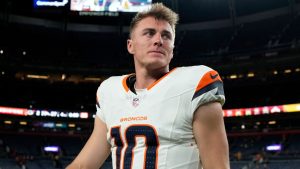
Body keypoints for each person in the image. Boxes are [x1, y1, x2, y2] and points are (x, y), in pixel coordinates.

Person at [66, 2, 230, 169]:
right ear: (130, 45)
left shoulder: (195, 84)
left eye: (166, 36)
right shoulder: (109, 92)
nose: (158, 40)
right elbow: (83, 165)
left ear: (172, 50)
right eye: (149, 33)